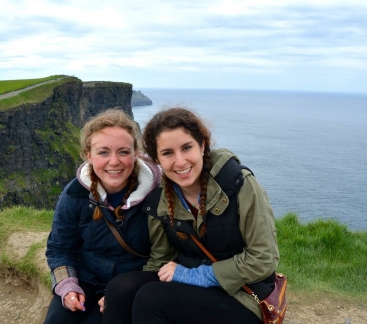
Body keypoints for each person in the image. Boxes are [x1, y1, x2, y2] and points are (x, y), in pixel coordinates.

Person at [103, 107, 280, 324]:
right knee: (119, 289)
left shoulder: (238, 184)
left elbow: (264, 259)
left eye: (187, 148)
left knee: (151, 299)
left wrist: (195, 276)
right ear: (157, 158)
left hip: (244, 295)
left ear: (202, 145)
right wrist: (121, 296)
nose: (180, 162)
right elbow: (161, 259)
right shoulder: (160, 197)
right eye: (167, 153)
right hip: (194, 288)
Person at [43, 109, 161, 324]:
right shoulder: (75, 194)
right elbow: (60, 248)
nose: (114, 162)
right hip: (85, 278)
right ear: (89, 155)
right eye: (103, 152)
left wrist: (122, 294)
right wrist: (68, 286)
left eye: (123, 152)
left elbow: (165, 256)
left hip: (131, 282)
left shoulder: (157, 194)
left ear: (136, 153)